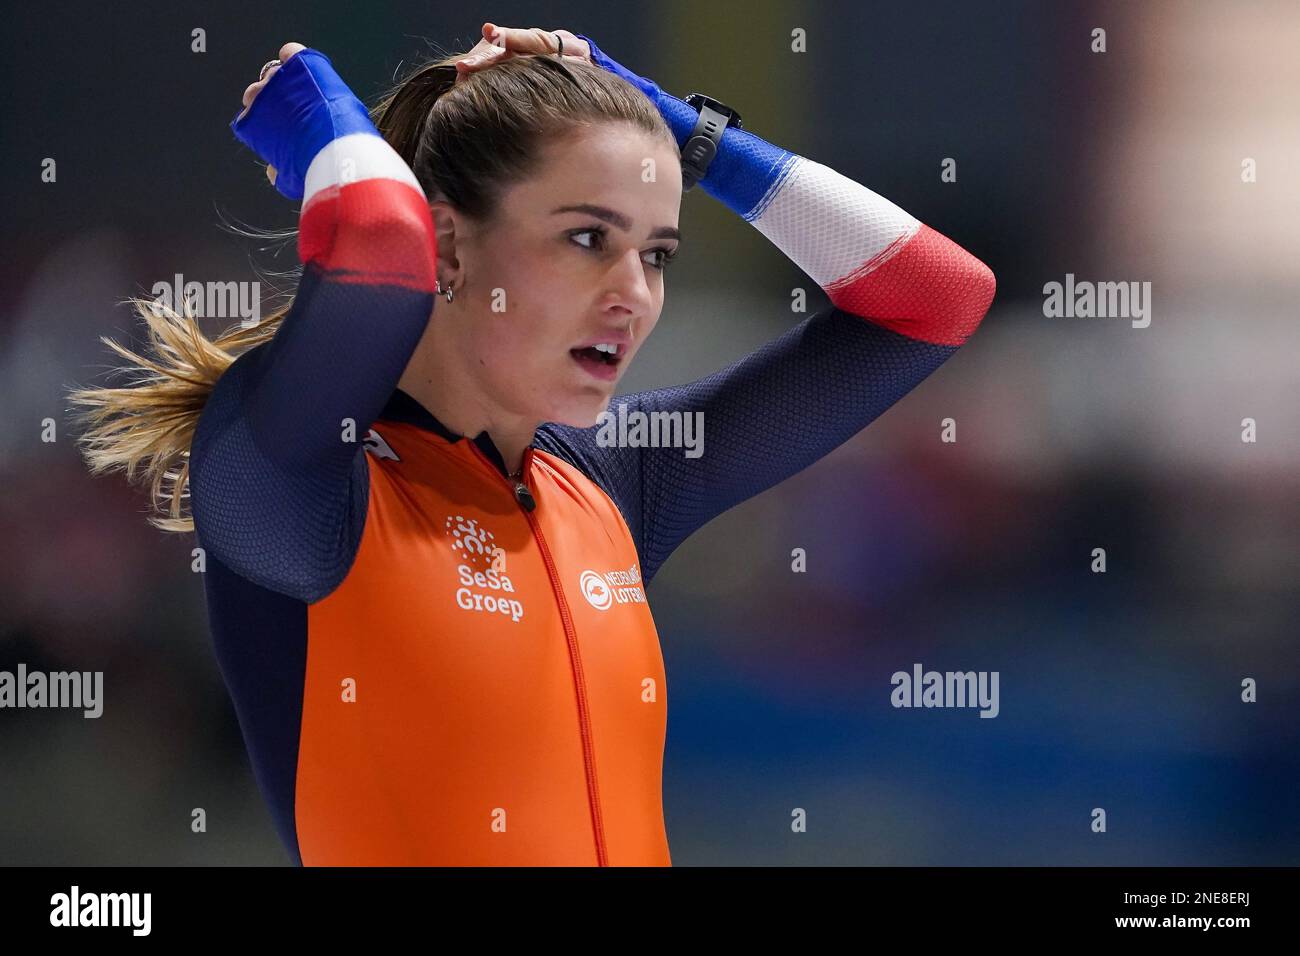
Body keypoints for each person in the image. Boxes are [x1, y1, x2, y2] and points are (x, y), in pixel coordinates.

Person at [70, 23, 995, 866]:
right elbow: (376, 245)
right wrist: (316, 114)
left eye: (657, 252)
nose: (634, 293)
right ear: (449, 249)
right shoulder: (306, 488)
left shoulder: (616, 482)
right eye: (588, 238)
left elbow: (935, 299)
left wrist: (687, 134)